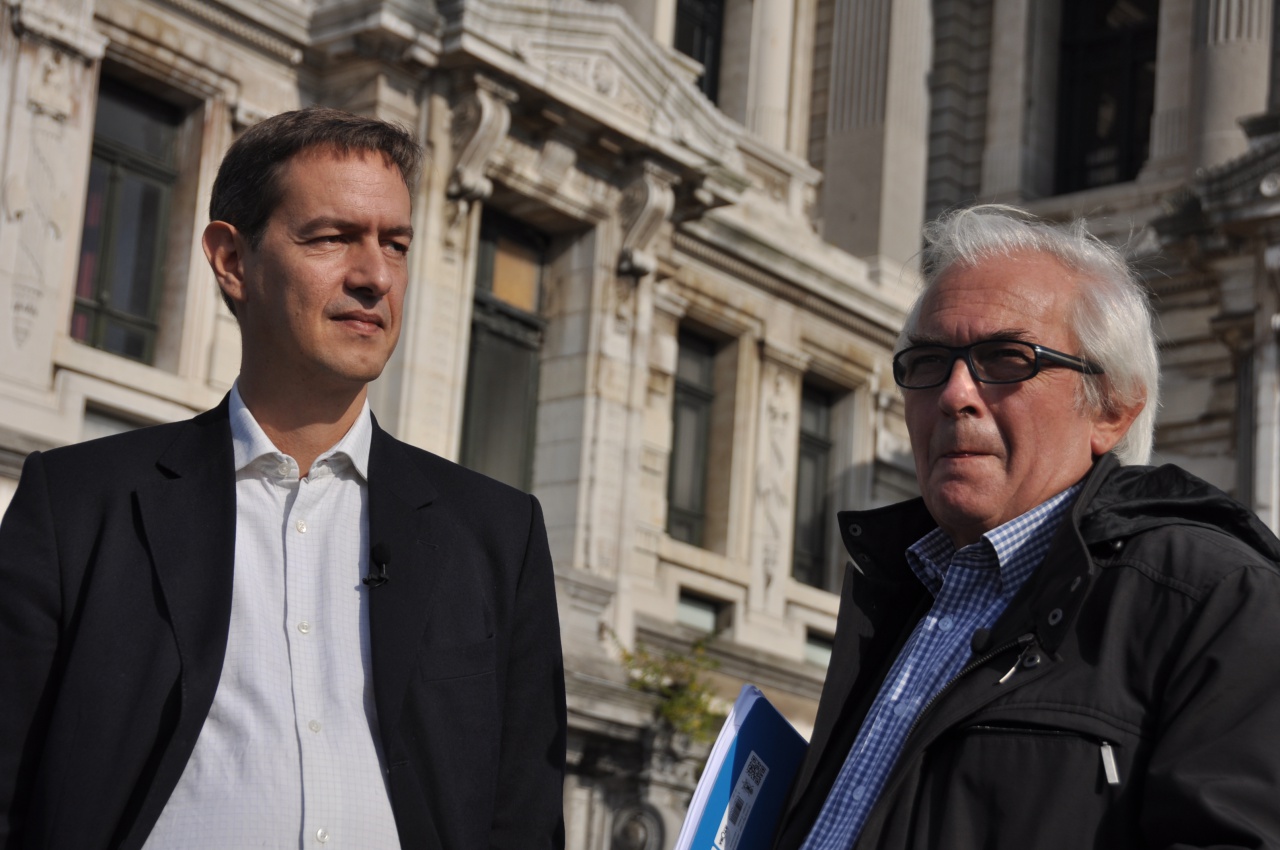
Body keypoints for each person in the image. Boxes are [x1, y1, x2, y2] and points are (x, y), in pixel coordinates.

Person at [0, 107, 566, 850]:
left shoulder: (497, 535)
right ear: (232, 260)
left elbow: (521, 820)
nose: (374, 277)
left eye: (394, 245)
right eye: (332, 238)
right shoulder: (76, 506)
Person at [773, 205, 1280, 849]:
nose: (955, 393)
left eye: (1008, 358)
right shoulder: (895, 595)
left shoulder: (1218, 603)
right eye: (929, 361)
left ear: (1112, 409)